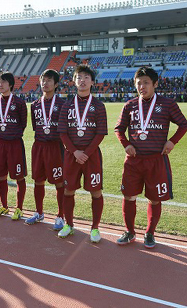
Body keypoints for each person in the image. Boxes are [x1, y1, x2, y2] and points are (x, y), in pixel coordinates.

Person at [114, 67, 187, 248]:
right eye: (138, 83)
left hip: (156, 160)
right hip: (134, 161)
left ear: (155, 84)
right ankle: (130, 232)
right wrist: (126, 144)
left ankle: (150, 233)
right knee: (129, 196)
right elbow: (119, 129)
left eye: (146, 82)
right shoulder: (130, 105)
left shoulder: (168, 104)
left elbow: (183, 125)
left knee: (154, 199)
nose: (142, 86)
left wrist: (172, 142)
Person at [57, 65, 107, 243]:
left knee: (96, 191)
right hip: (72, 155)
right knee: (68, 190)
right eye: (79, 77)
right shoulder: (67, 105)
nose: (83, 80)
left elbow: (100, 133)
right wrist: (75, 151)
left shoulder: (99, 106)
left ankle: (94, 228)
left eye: (86, 77)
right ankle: (69, 225)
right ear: (74, 81)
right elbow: (62, 132)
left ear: (92, 82)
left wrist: (85, 153)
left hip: (91, 156)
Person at [26, 70, 66, 230]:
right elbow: (35, 126)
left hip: (55, 147)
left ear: (56, 84)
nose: (45, 83)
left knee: (59, 182)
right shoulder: (35, 105)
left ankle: (60, 216)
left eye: (49, 80)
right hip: (39, 146)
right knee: (38, 180)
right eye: (43, 80)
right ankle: (39, 212)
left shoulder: (63, 104)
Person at [0, 72, 28, 220]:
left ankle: (19, 208)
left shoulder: (19, 102)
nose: (0, 85)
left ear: (10, 84)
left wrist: (13, 135)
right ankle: (4, 206)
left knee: (19, 176)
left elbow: (23, 123)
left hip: (15, 144)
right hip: (0, 143)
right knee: (1, 176)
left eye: (3, 82)